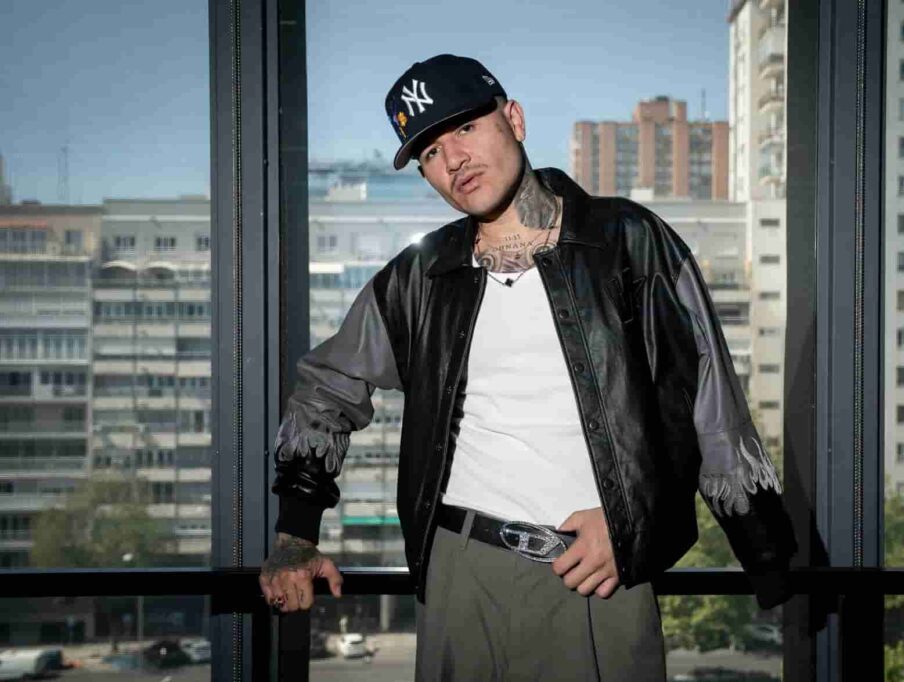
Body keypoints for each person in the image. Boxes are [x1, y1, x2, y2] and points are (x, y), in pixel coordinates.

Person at [259, 53, 798, 680]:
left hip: (595, 572)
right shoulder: (419, 277)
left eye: (465, 128)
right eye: (430, 151)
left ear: (513, 119)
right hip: (459, 571)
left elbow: (709, 401)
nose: (454, 159)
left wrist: (744, 551)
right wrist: (295, 536)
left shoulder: (628, 240)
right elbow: (325, 388)